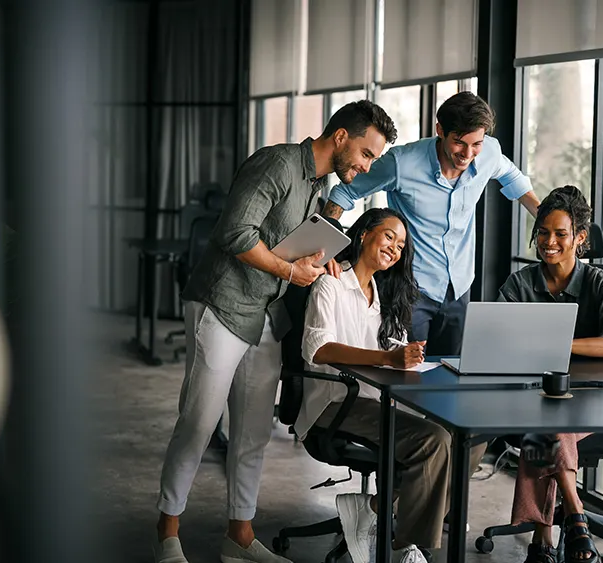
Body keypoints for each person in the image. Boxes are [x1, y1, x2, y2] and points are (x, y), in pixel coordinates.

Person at [154, 101, 399, 563]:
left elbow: (293, 241)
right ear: (342, 137)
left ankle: (239, 538)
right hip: (222, 304)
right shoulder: (277, 163)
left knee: (253, 433)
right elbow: (236, 233)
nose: (367, 167)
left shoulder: (318, 184)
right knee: (199, 422)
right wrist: (290, 269)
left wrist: (317, 258)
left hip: (266, 314)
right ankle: (166, 533)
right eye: (367, 154)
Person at [295, 207, 486, 563]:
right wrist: (387, 359)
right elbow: (317, 348)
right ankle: (404, 546)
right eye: (389, 237)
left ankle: (376, 508)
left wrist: (408, 356)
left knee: (469, 434)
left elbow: (390, 349)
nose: (395, 249)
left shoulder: (383, 295)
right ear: (364, 234)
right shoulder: (331, 284)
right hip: (337, 403)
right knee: (433, 441)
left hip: (380, 398)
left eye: (401, 245)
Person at [321, 91, 541, 356]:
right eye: (459, 143)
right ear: (440, 130)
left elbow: (513, 178)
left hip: (459, 287)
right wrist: (327, 247)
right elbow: (344, 193)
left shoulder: (489, 152)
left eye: (476, 144)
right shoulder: (402, 164)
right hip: (410, 289)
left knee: (451, 375)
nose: (468, 154)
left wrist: (545, 220)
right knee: (408, 375)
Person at [497, 185, 603, 563]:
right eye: (542, 232)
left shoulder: (601, 284)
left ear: (580, 238)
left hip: (595, 405)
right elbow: (498, 338)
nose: (549, 242)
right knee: (548, 421)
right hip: (531, 401)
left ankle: (543, 540)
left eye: (560, 234)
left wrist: (560, 343)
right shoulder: (519, 285)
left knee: (545, 429)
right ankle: (575, 516)